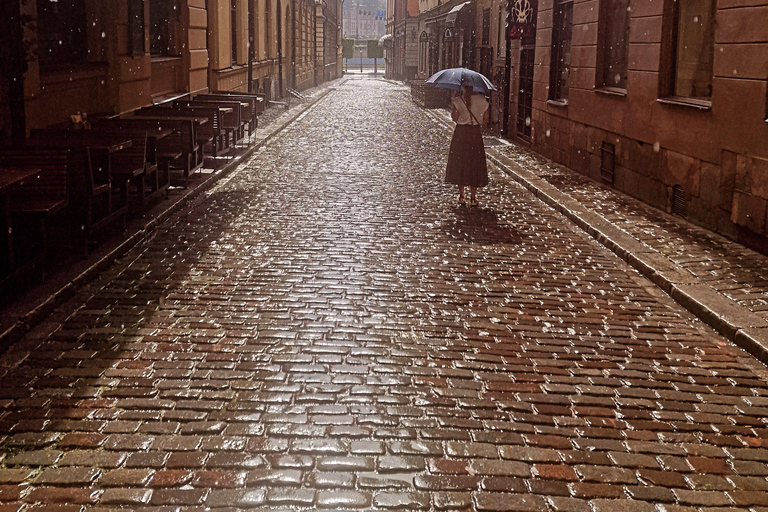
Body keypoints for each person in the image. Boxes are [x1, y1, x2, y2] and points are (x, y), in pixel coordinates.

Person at [444, 84, 489, 206]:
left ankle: (462, 196)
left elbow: (454, 118)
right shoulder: (482, 100)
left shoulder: (458, 100)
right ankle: (473, 198)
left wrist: (459, 110)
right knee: (474, 163)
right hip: (475, 134)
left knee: (461, 162)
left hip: (461, 134)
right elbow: (485, 119)